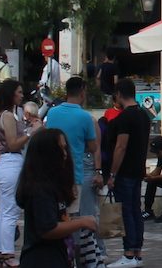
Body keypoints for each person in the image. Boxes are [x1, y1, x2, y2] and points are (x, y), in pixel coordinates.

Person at [42, 76, 105, 267]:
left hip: (53, 174)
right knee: (74, 220)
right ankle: (76, 258)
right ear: (83, 91)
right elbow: (94, 147)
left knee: (59, 218)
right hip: (74, 174)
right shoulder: (85, 117)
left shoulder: (52, 113)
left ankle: (62, 254)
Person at [15, 127, 98, 268]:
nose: (65, 154)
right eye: (61, 149)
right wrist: (81, 223)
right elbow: (48, 229)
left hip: (58, 256)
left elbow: (56, 219)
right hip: (42, 259)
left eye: (65, 149)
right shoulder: (40, 189)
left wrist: (77, 221)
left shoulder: (51, 185)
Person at [105, 78, 154, 268]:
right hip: (137, 170)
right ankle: (137, 252)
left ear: (118, 94)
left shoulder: (125, 118)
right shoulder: (143, 116)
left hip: (124, 171)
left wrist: (113, 174)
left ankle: (129, 253)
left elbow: (121, 147)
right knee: (135, 210)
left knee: (126, 211)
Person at [0, 79, 31, 267]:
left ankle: (2, 251)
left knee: (3, 212)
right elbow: (13, 143)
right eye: (19, 92)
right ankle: (7, 254)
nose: (22, 95)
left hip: (5, 164)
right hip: (11, 164)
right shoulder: (7, 116)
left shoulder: (6, 114)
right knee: (10, 212)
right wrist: (31, 132)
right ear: (11, 94)